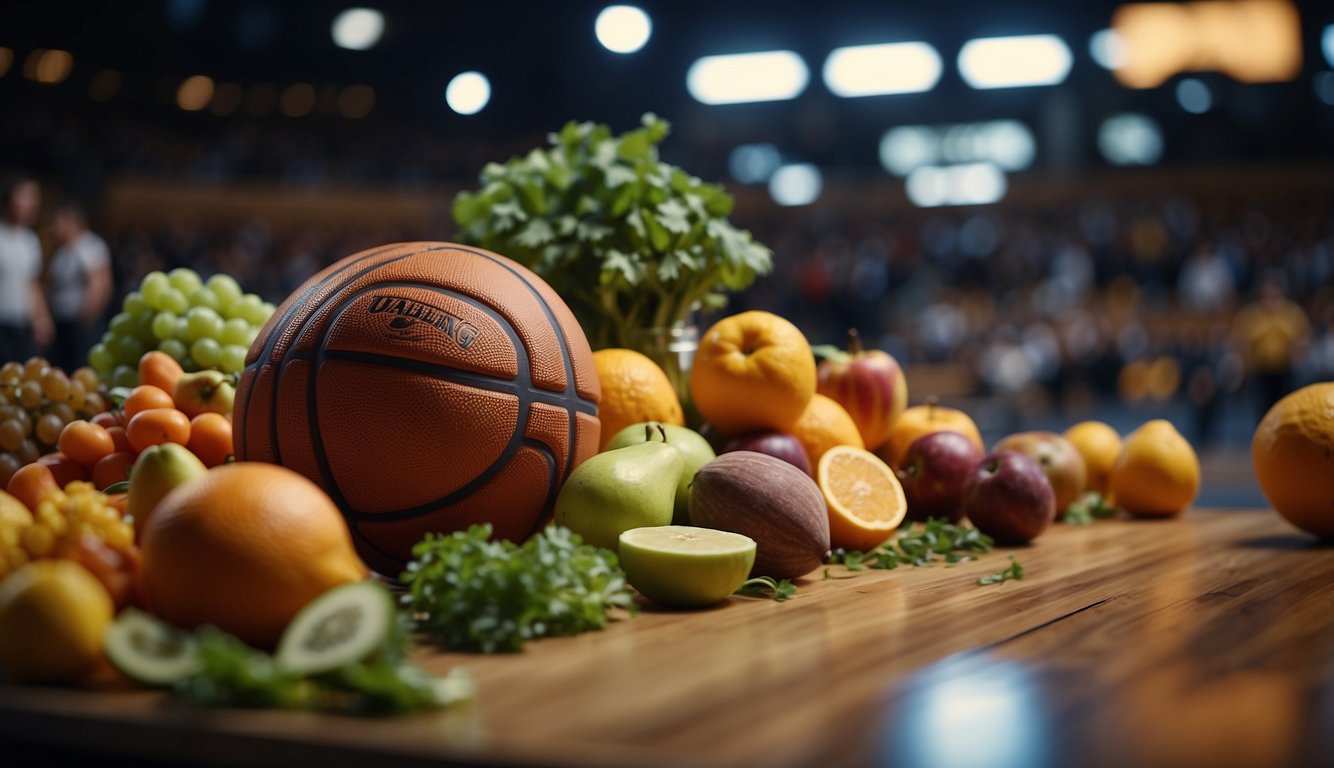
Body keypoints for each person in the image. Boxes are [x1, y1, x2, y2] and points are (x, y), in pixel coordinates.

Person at [45, 200, 113, 371]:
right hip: (61, 321)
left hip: (80, 324)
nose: (51, 229)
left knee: (79, 369)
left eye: (55, 223)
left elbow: (100, 284)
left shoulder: (90, 245)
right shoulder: (61, 251)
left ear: (70, 221)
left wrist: (86, 319)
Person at [1233, 272, 1311, 418]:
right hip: (1260, 371)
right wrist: (1243, 364)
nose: (1271, 296)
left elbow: (1303, 339)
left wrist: (1299, 355)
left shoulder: (1293, 314)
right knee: (1262, 411)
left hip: (1285, 371)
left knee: (1286, 408)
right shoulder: (1251, 315)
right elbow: (1240, 343)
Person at [0, 174, 54, 362]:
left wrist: (42, 318)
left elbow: (32, 284)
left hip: (21, 323)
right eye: (25, 196)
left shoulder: (29, 240)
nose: (32, 203)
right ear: (7, 199)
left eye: (34, 197)